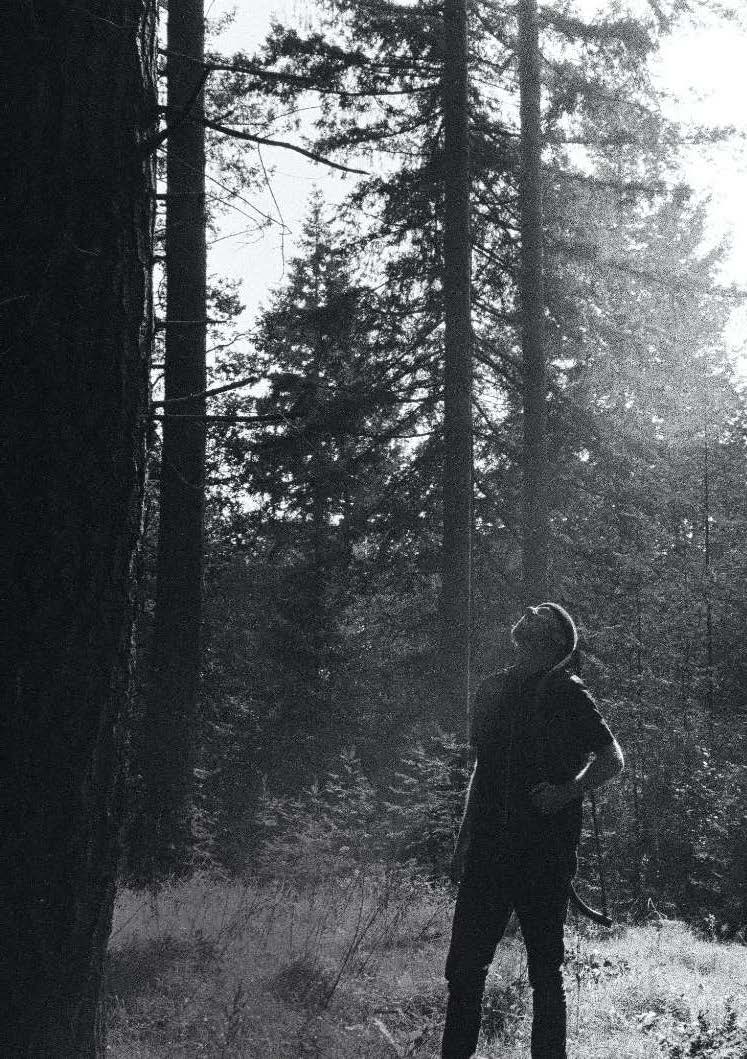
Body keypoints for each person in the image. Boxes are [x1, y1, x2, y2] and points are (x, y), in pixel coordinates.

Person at [441, 603, 624, 1059]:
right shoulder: (492, 688)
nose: (528, 611)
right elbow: (483, 772)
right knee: (464, 972)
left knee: (545, 973)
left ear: (554, 642)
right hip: (487, 852)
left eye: (541, 613)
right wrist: (464, 842)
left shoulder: (568, 692)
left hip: (544, 854)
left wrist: (567, 792)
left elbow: (612, 759)